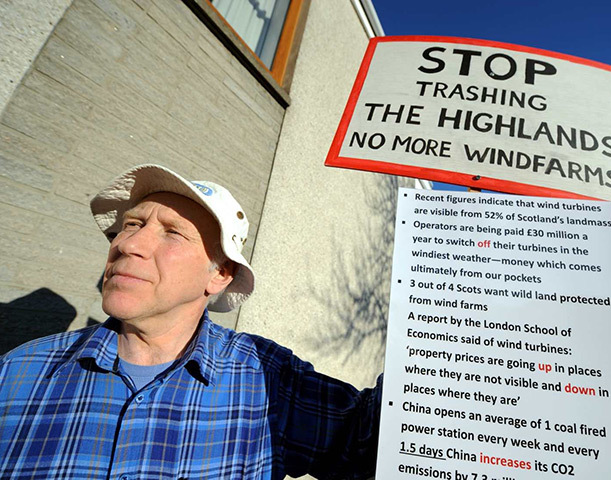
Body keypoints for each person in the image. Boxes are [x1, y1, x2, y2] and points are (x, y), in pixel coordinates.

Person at [0, 164, 382, 479]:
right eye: (132, 224)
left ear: (219, 275)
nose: (127, 244)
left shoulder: (269, 378)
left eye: (172, 233)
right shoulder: (16, 374)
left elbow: (377, 444)